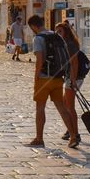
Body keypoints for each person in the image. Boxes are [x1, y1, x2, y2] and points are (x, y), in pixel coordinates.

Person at [27, 14, 79, 148]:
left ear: (33, 26)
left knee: (40, 108)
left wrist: (36, 76)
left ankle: (39, 138)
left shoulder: (38, 38)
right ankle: (73, 136)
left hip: (44, 78)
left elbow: (39, 59)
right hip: (57, 77)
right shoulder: (56, 35)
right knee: (62, 108)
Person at [55, 21, 86, 144]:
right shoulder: (64, 43)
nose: (57, 33)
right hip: (70, 77)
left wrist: (72, 80)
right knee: (65, 104)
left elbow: (75, 63)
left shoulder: (70, 44)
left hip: (74, 78)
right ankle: (70, 129)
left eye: (60, 31)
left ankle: (75, 134)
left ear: (66, 32)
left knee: (70, 107)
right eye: (56, 31)